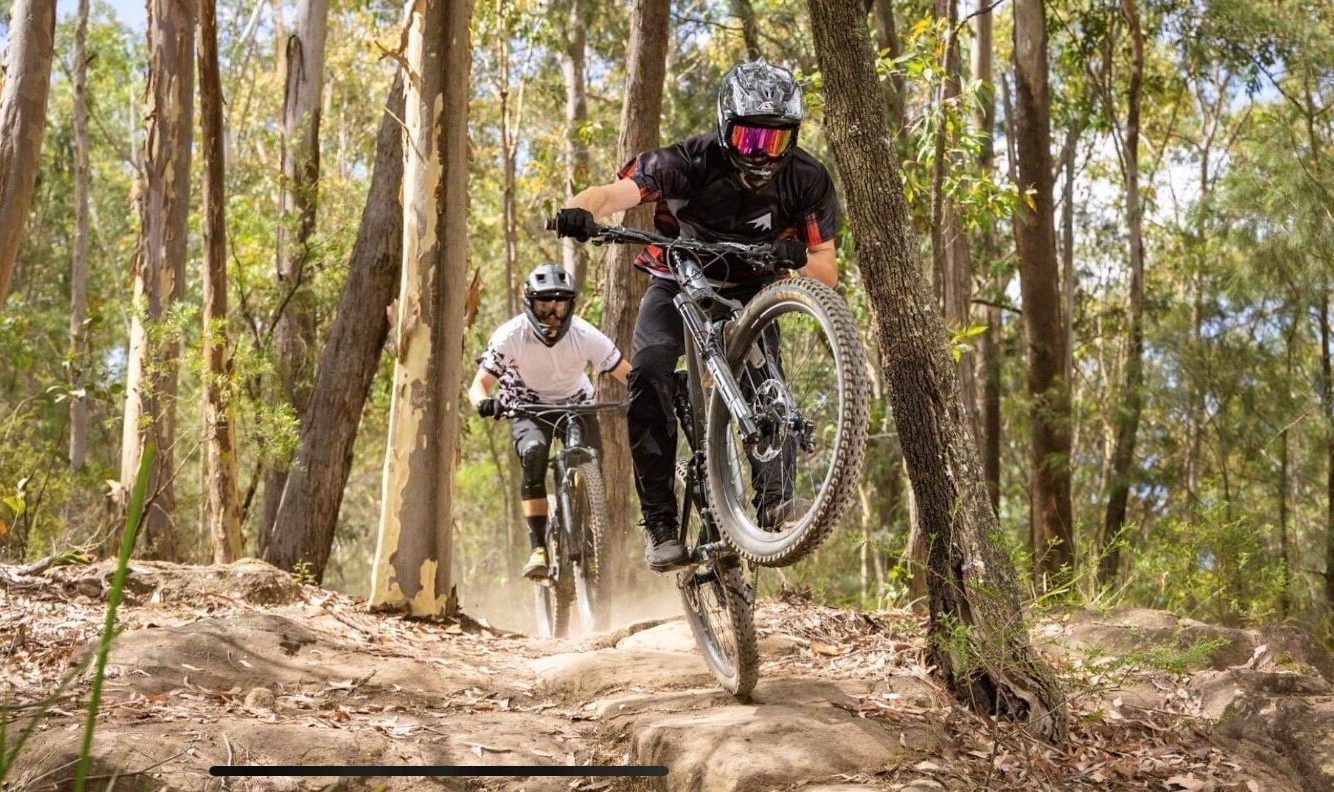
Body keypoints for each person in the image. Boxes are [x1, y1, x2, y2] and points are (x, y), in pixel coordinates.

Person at [552, 59, 841, 573]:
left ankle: (775, 500)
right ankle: (661, 523)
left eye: (775, 141)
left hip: (753, 291)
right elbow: (611, 195)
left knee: (763, 381)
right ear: (725, 126)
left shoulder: (808, 179)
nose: (761, 153)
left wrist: (793, 258)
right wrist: (580, 210)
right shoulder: (686, 161)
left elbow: (826, 270)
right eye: (749, 138)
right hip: (676, 279)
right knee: (650, 374)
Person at [468, 263, 632, 580]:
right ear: (530, 303)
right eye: (545, 305)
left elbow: (627, 373)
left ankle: (589, 533)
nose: (554, 314)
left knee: (592, 463)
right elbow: (479, 385)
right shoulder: (510, 336)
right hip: (528, 406)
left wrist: (643, 396)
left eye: (561, 304)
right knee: (533, 453)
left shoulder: (585, 334)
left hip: (576, 404)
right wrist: (486, 403)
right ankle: (538, 547)